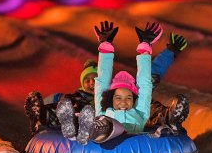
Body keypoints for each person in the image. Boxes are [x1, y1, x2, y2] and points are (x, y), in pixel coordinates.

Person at [24, 21, 189, 137]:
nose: (123, 102)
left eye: (128, 98)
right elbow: (101, 81)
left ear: (134, 99)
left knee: (153, 106)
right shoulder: (103, 108)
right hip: (99, 128)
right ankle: (68, 125)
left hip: (126, 131)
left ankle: (171, 118)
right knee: (84, 114)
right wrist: (105, 48)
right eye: (118, 97)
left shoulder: (139, 111)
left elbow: (146, 82)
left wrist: (146, 47)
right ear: (111, 97)